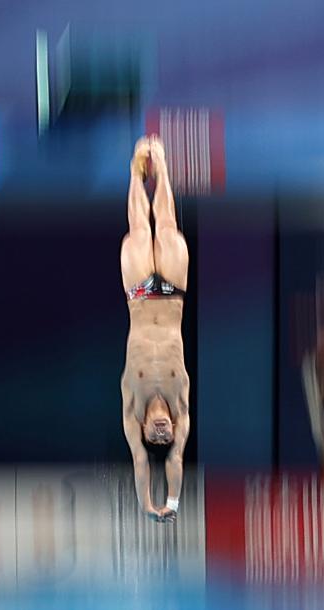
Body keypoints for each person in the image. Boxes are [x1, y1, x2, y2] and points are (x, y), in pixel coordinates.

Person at [120, 135, 190, 523]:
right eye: (167, 436)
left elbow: (140, 461)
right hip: (174, 294)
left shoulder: (133, 402)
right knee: (166, 229)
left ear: (144, 428)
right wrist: (172, 503)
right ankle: (160, 167)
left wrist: (148, 503)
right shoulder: (181, 404)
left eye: (154, 437)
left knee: (138, 231)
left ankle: (135, 172)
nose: (162, 434)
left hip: (139, 296)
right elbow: (175, 458)